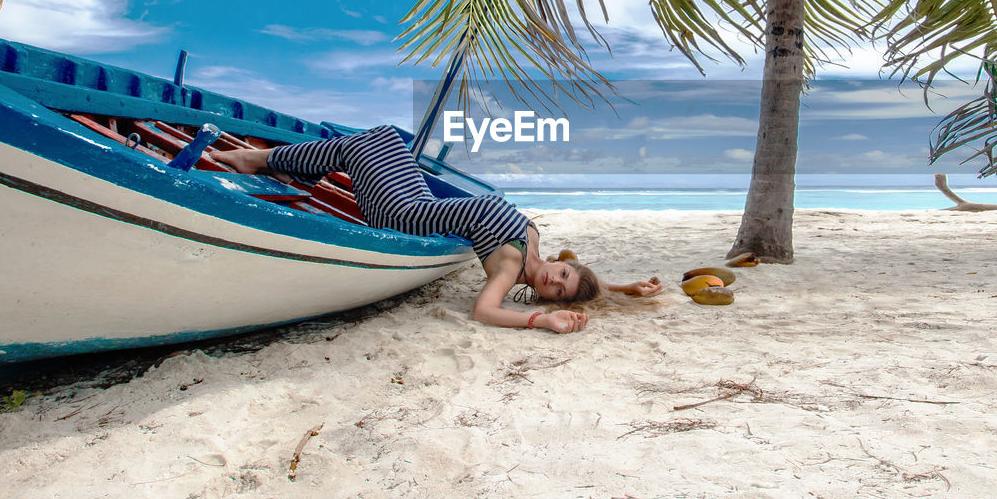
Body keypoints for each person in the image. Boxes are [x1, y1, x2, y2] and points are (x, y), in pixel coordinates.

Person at [210, 126, 662, 333]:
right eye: (565, 276)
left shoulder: (507, 265)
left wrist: (540, 321)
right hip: (422, 204)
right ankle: (297, 172)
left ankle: (261, 161)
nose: (554, 280)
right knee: (387, 136)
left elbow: (484, 312)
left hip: (397, 213)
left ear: (547, 297)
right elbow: (583, 278)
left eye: (557, 292)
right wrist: (623, 288)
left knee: (365, 143)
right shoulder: (537, 249)